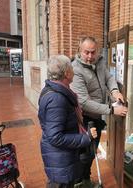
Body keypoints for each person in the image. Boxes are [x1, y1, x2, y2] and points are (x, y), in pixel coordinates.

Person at [70, 36, 128, 186]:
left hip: (97, 115)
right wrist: (111, 109)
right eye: (86, 52)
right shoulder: (75, 70)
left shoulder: (100, 61)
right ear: (79, 51)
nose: (90, 56)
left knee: (90, 152)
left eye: (93, 52)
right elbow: (83, 103)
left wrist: (115, 91)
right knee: (85, 153)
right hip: (85, 117)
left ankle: (86, 179)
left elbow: (108, 78)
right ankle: (79, 182)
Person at [38, 55, 97, 188]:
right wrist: (85, 138)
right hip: (59, 160)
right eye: (71, 67)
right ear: (66, 73)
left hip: (61, 158)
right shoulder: (56, 98)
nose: (74, 70)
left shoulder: (58, 90)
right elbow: (55, 137)